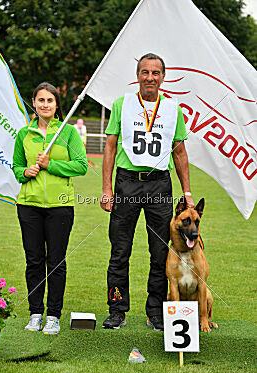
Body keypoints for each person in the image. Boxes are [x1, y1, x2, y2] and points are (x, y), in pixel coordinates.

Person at [100, 53, 194, 331]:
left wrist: (187, 192)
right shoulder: (122, 104)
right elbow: (110, 147)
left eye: (155, 73)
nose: (150, 77)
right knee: (119, 251)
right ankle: (117, 309)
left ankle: (156, 312)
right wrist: (107, 188)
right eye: (145, 72)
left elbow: (179, 151)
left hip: (159, 184)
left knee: (159, 252)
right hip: (127, 181)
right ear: (137, 75)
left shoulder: (173, 109)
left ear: (163, 77)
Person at [13, 82, 88, 334]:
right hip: (29, 206)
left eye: (50, 100)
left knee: (56, 262)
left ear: (57, 105)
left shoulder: (68, 133)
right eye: (40, 100)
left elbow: (81, 166)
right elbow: (16, 167)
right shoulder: (24, 134)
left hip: (60, 207)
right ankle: (35, 313)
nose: (45, 104)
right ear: (33, 103)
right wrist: (25, 171)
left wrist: (50, 165)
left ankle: (53, 316)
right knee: (34, 261)